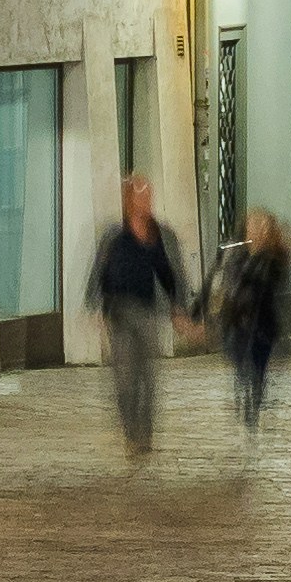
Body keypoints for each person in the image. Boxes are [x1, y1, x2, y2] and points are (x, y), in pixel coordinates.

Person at [86, 176, 189, 459]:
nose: (145, 202)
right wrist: (94, 304)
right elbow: (99, 272)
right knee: (125, 378)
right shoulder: (114, 236)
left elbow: (170, 272)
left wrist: (178, 306)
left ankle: (145, 433)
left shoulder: (158, 234)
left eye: (148, 197)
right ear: (128, 201)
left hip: (146, 312)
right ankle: (131, 432)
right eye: (140, 197)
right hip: (119, 314)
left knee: (148, 378)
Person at [215, 209, 291, 442]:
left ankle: (254, 401)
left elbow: (274, 287)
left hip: (263, 321)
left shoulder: (273, 259)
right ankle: (244, 388)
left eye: (261, 227)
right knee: (240, 360)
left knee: (259, 365)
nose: (256, 231)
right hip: (237, 320)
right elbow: (227, 284)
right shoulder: (237, 255)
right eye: (252, 226)